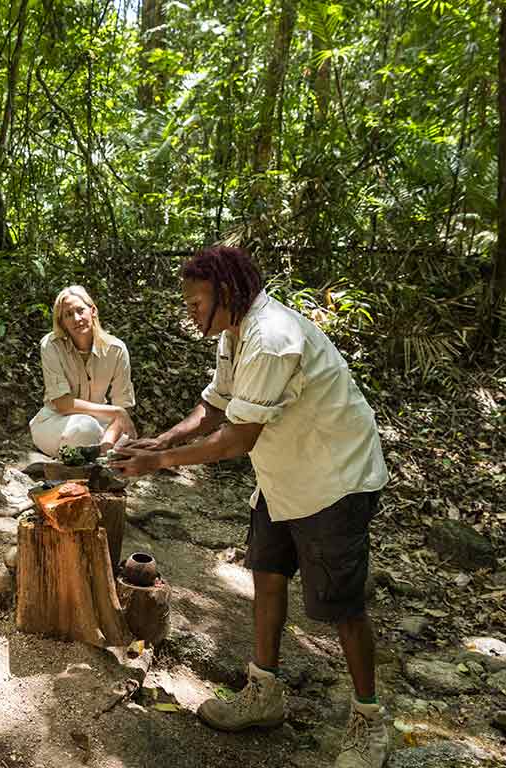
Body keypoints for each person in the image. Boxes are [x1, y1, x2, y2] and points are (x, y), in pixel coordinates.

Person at [110, 246, 390, 768]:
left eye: (197, 301)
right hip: (284, 476)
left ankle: (368, 720)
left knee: (341, 606)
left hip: (335, 479)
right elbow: (213, 408)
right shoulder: (234, 335)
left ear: (227, 294)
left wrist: (159, 463)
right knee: (266, 573)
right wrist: (155, 443)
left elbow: (236, 439)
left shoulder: (271, 337)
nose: (191, 311)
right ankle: (264, 692)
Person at [29, 285, 137, 456]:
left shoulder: (116, 350)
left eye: (80, 310)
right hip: (54, 421)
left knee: (126, 439)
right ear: (62, 322)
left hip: (98, 422)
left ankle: (95, 453)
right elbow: (62, 404)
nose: (76, 319)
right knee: (85, 429)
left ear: (92, 311)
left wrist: (107, 444)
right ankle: (81, 452)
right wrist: (116, 412)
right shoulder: (51, 345)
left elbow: (123, 405)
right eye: (68, 315)